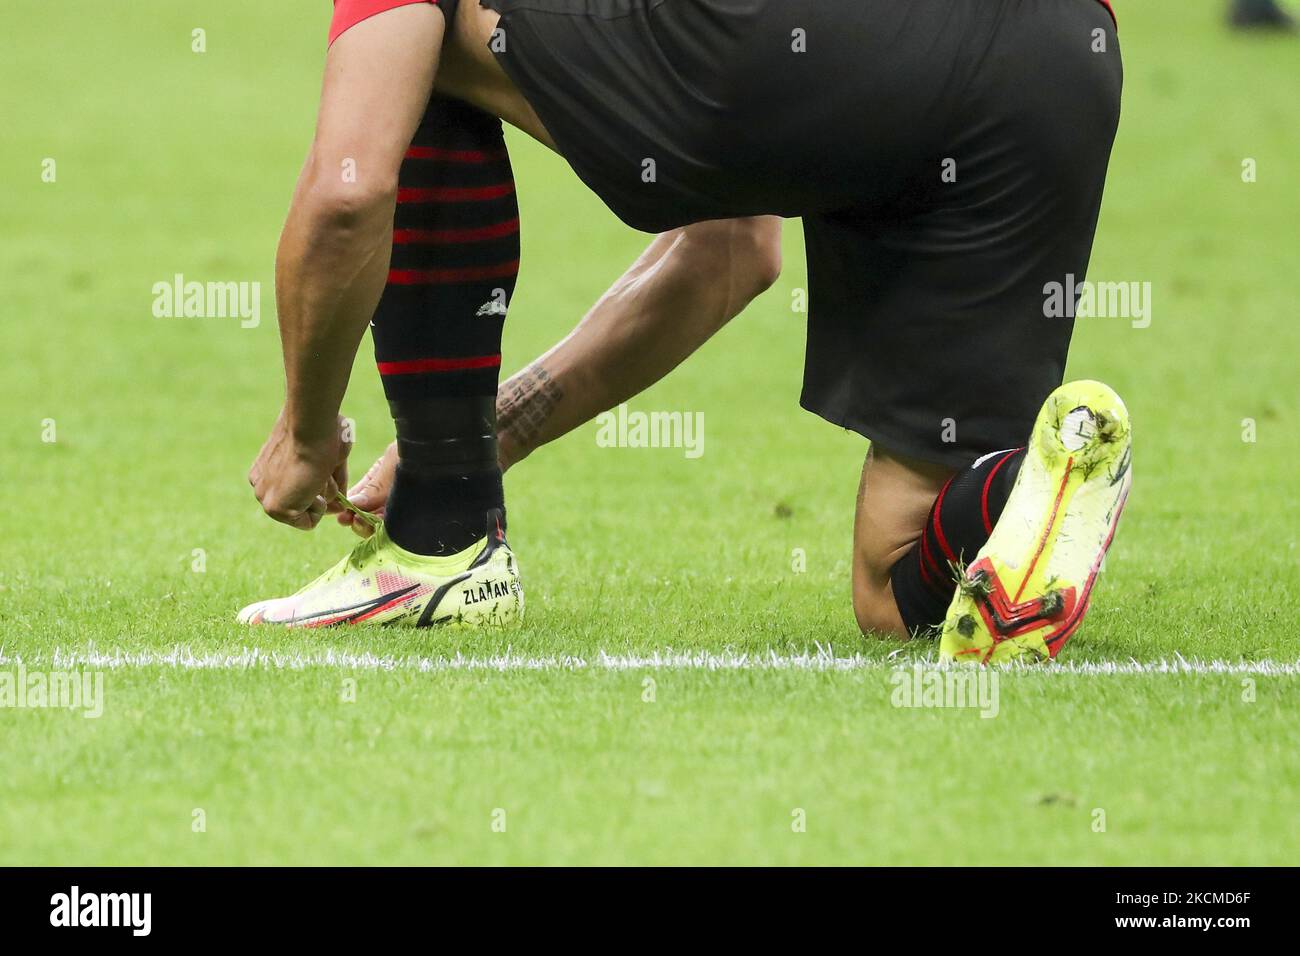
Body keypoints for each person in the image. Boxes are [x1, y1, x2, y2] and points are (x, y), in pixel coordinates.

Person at [241, 0, 1130, 663]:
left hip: (794, 43)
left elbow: (350, 193)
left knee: (418, 35)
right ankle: (1030, 480)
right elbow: (732, 250)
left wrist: (306, 430)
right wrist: (496, 430)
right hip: (1054, 56)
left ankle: (441, 538)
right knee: (896, 593)